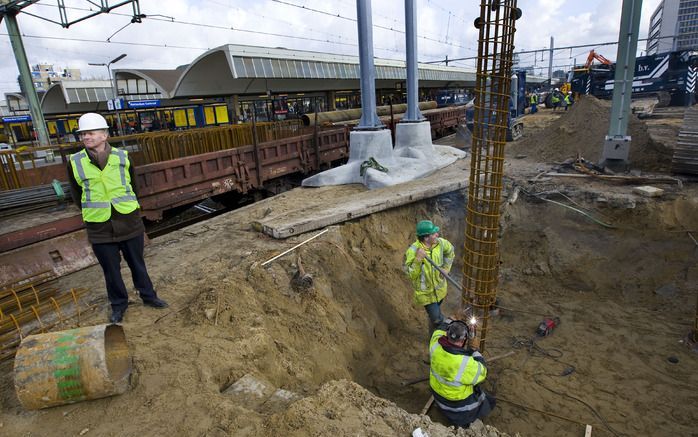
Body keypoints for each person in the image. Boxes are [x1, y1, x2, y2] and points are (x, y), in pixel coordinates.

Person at [67, 113, 168, 324]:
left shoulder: (122, 157)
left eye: (90, 132)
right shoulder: (75, 162)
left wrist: (128, 208)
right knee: (111, 271)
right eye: (83, 134)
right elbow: (77, 194)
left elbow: (134, 186)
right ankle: (119, 305)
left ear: (104, 135)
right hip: (99, 226)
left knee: (138, 264)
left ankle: (149, 296)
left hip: (128, 221)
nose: (85, 137)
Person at [429, 319, 495, 427]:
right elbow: (483, 372)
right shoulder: (465, 363)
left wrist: (452, 318)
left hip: (437, 394)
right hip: (455, 403)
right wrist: (474, 350)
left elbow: (439, 329)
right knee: (486, 401)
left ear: (447, 333)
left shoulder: (435, 343)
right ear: (464, 340)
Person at [404, 220, 455, 332]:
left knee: (434, 320)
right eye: (434, 233)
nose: (437, 234)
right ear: (426, 238)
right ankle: (448, 332)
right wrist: (418, 259)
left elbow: (450, 251)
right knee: (438, 320)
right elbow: (410, 275)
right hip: (427, 295)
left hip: (440, 291)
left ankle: (432, 336)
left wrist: (446, 268)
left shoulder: (440, 243)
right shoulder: (413, 251)